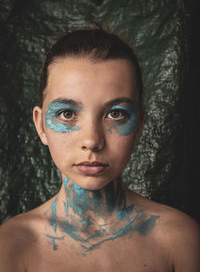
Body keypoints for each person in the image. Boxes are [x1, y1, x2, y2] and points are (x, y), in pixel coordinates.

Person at [0, 28, 199, 272]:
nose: (92, 140)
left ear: (139, 126)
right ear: (41, 125)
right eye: (67, 114)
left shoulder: (179, 239)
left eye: (116, 114)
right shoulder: (10, 244)